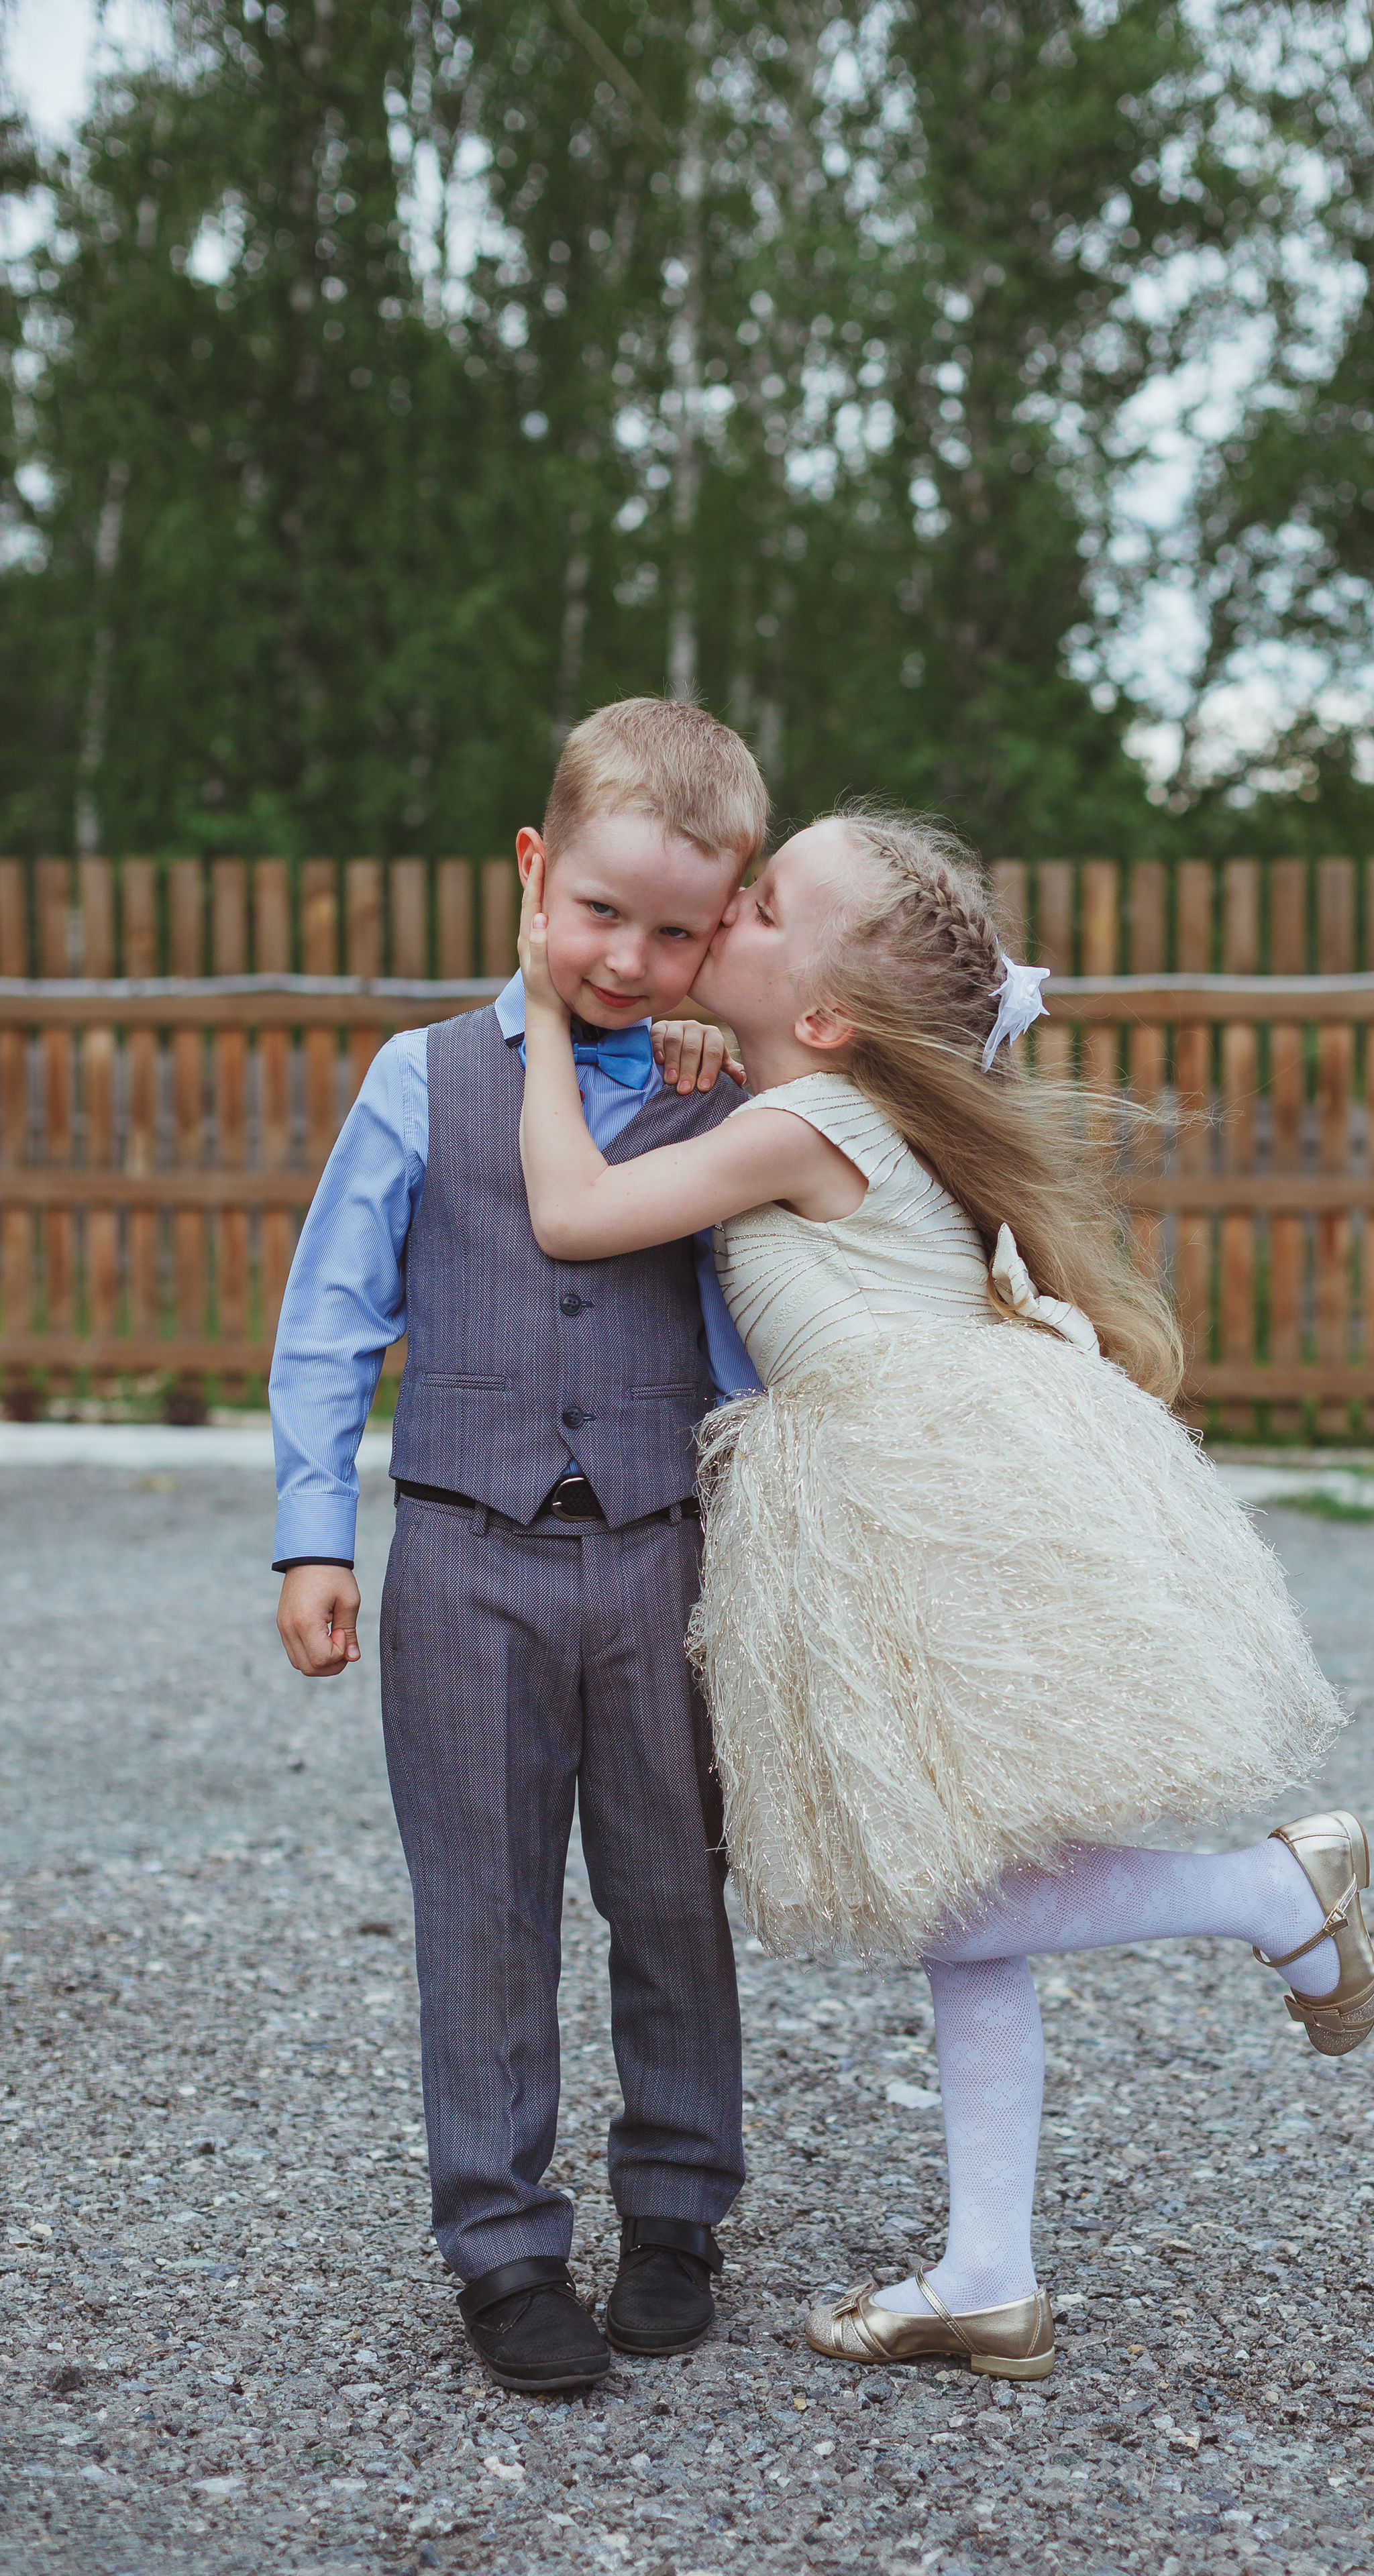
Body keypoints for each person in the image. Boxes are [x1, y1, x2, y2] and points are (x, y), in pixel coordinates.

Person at [515, 805, 1374, 2385]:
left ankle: (1268, 1895)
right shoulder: (805, 1095)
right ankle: (988, 2275)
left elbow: (571, 1214)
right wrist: (701, 1037)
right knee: (965, 1891)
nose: (731, 905)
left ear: (825, 1016)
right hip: (911, 1485)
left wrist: (538, 1014)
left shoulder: (806, 1121)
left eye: (760, 903)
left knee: (945, 1886)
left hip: (914, 1502)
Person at [270, 699, 769, 2394]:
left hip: (660, 1560)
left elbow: (752, 1346)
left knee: (671, 1892)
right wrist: (311, 1536)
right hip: (463, 1557)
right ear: (532, 871)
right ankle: (498, 2242)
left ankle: (679, 2207)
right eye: (600, 913)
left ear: (724, 926)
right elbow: (331, 1320)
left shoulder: (721, 1097)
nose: (628, 959)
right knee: (480, 1912)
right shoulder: (420, 1080)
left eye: (675, 935)